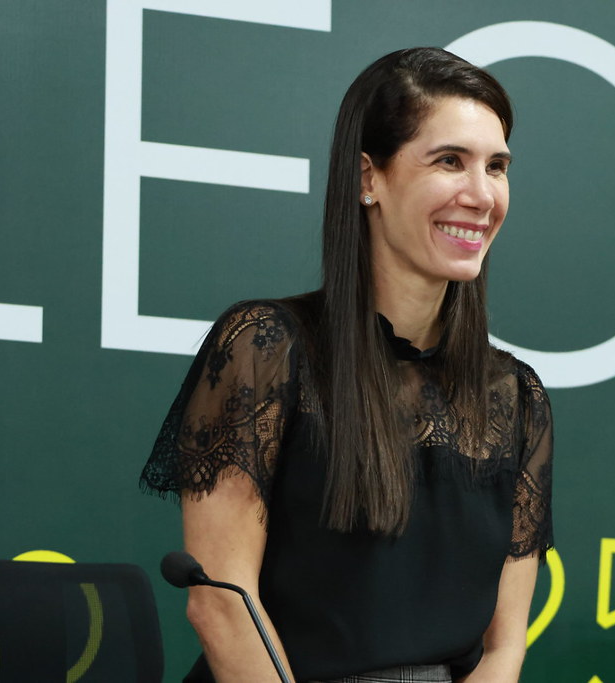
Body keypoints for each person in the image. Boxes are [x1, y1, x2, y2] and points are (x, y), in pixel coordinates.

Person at [140, 47, 554, 683]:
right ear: (369, 179)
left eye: (496, 167)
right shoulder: (265, 347)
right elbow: (221, 604)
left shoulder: (515, 395)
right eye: (449, 161)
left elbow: (504, 647)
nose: (481, 195)